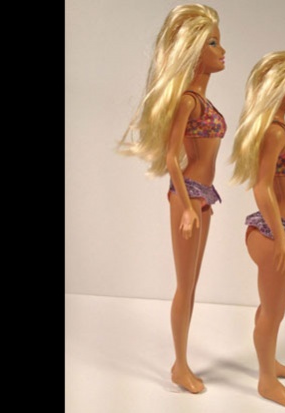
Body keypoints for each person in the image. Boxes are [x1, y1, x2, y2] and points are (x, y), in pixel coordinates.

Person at [118, 4, 226, 394]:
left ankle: (182, 363)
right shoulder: (187, 101)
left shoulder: (202, 101)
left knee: (192, 284)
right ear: (194, 50)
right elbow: (170, 158)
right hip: (188, 197)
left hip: (204, 196)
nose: (222, 50)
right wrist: (186, 207)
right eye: (213, 43)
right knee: (184, 285)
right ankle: (180, 366)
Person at [230, 50, 285, 409]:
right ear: (279, 86)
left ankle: (270, 363)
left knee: (271, 307)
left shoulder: (281, 129)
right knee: (273, 311)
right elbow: (261, 187)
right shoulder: (275, 133)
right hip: (273, 233)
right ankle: (266, 381)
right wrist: (279, 235)